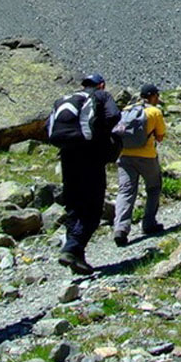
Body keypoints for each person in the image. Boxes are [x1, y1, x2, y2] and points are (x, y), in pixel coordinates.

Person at [58, 73, 120, 275]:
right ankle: (71, 248)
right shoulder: (102, 96)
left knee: (73, 205)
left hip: (67, 156)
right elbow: (114, 116)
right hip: (90, 156)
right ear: (101, 84)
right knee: (93, 208)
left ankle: (78, 257)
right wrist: (103, 139)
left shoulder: (67, 99)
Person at [113, 84, 167, 247]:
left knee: (126, 191)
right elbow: (160, 136)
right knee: (154, 188)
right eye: (157, 95)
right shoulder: (154, 112)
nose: (158, 99)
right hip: (146, 157)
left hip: (124, 156)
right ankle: (149, 224)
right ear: (152, 96)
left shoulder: (126, 110)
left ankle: (120, 228)